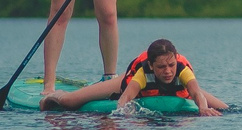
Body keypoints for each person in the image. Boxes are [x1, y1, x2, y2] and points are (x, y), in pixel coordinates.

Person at [42, 37, 229, 115]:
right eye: (161, 67)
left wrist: (203, 109)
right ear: (151, 66)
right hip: (124, 84)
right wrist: (124, 113)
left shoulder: (181, 70)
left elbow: (196, 93)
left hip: (176, 89)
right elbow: (126, 97)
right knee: (70, 102)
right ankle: (55, 95)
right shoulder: (142, 73)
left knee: (224, 109)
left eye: (171, 65)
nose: (168, 71)